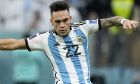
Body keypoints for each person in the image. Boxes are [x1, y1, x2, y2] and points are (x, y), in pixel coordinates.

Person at [0, 1, 139, 84]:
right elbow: (13, 44)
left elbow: (110, 20)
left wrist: (123, 21)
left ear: (70, 18)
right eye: (57, 21)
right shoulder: (44, 38)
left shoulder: (83, 27)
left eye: (65, 20)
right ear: (51, 22)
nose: (62, 25)